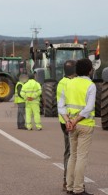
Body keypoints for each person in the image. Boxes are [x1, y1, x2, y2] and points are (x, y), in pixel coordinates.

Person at [58, 58, 96, 195]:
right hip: (85, 125)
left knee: (72, 156)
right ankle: (78, 189)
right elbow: (89, 108)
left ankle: (69, 187)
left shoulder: (68, 84)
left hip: (71, 125)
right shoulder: (91, 85)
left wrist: (68, 121)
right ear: (90, 70)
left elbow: (61, 106)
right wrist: (75, 121)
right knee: (81, 157)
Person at [56, 60, 76, 191]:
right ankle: (68, 181)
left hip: (64, 121)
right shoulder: (70, 83)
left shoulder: (61, 82)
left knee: (70, 151)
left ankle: (68, 180)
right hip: (70, 121)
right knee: (72, 152)